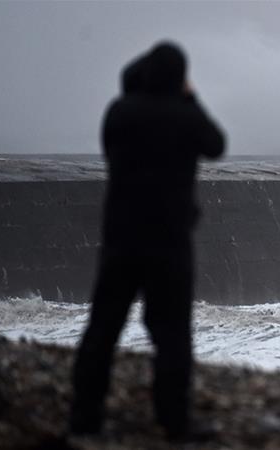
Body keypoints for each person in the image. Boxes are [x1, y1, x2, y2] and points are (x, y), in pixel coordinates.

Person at [69, 41, 225, 440]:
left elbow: (111, 144)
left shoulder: (120, 113)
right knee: (171, 334)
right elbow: (215, 145)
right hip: (170, 243)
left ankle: (84, 419)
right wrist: (190, 98)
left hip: (122, 238)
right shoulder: (185, 116)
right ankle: (174, 422)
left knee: (103, 327)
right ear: (179, 78)